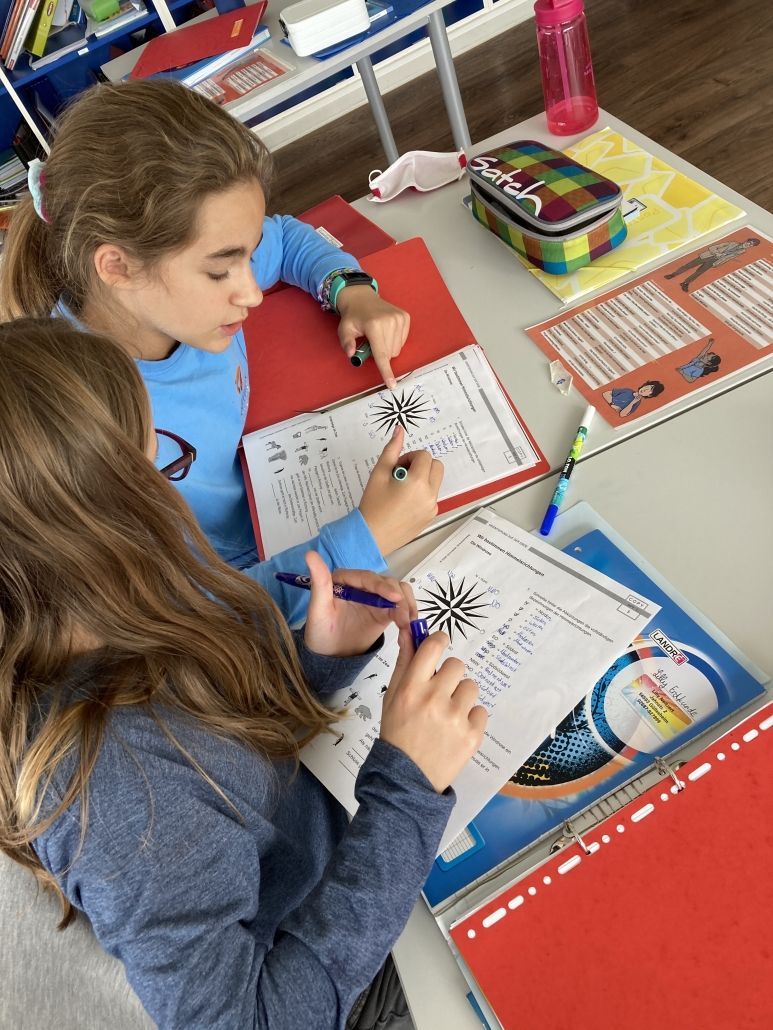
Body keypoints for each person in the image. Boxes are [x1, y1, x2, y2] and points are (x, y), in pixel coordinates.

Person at [0, 317, 487, 1030]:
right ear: (108, 519)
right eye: (160, 467)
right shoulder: (118, 787)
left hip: (340, 849)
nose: (176, 493)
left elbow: (217, 758)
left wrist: (314, 665)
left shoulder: (105, 613)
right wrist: (407, 790)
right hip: (337, 959)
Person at [0, 79, 442, 605]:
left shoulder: (189, 268)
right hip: (247, 593)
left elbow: (285, 236)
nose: (251, 292)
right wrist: (361, 543)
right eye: (219, 272)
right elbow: (182, 618)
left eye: (248, 256)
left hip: (277, 497)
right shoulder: (78, 427)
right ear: (117, 266)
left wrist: (351, 290)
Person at [663, 237, 760, 291]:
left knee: (699, 272)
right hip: (708, 255)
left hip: (714, 261)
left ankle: (685, 283)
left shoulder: (742, 251)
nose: (749, 245)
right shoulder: (732, 243)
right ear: (746, 241)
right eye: (749, 242)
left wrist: (718, 264)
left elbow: (728, 258)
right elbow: (713, 247)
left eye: (751, 245)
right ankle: (673, 274)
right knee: (688, 266)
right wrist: (717, 253)